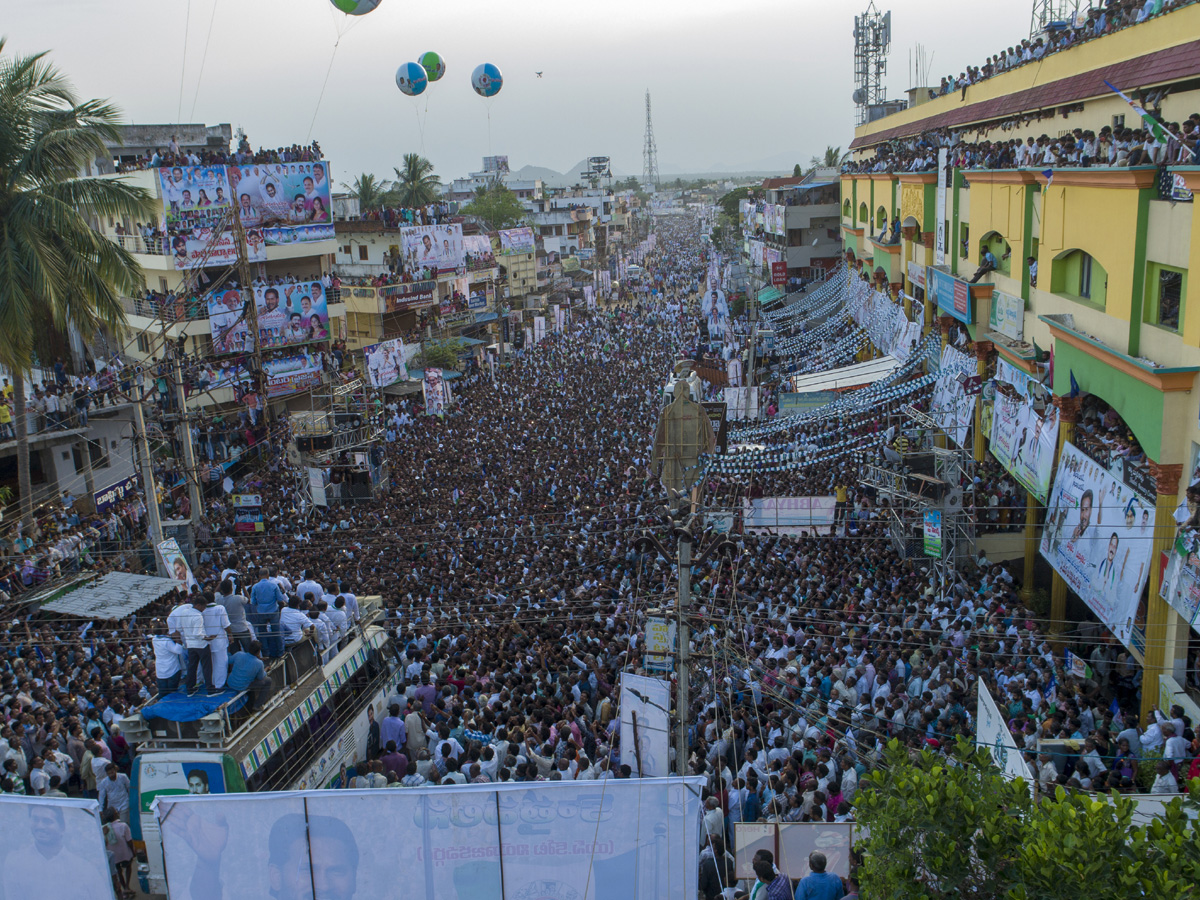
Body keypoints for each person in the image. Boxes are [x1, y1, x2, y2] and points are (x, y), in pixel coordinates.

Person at [226, 640, 273, 711]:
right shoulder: (259, 663)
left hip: (230, 682)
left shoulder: (239, 654)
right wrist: (265, 670)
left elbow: (229, 660)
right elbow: (260, 677)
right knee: (268, 680)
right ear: (258, 652)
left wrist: (228, 652)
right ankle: (257, 705)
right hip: (242, 686)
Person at [250, 568, 285, 657]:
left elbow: (253, 602)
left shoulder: (255, 586)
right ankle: (280, 652)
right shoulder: (273, 585)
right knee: (276, 632)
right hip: (273, 611)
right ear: (268, 575)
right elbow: (280, 599)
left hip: (261, 612)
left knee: (262, 633)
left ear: (259, 576)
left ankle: (266, 653)